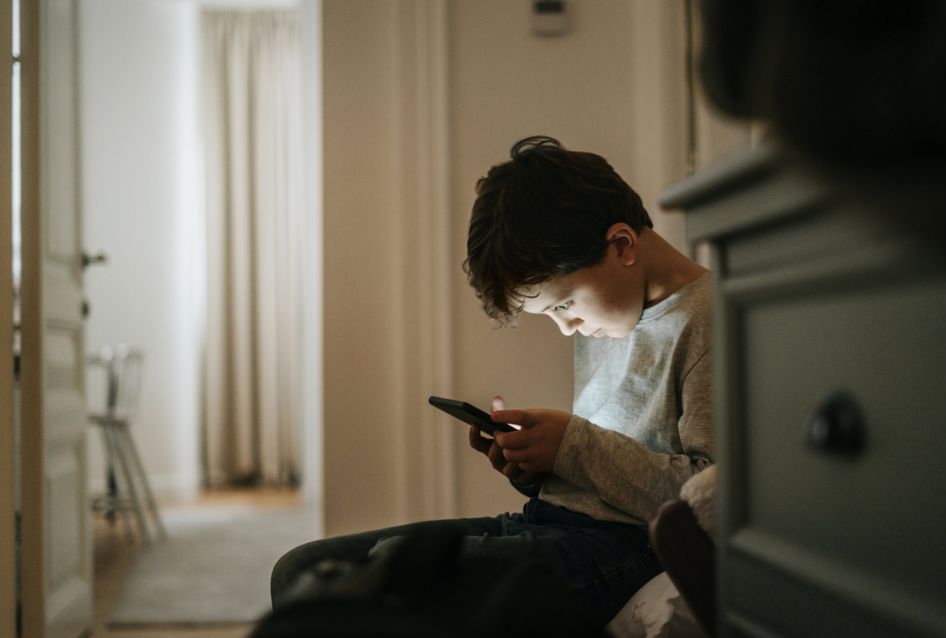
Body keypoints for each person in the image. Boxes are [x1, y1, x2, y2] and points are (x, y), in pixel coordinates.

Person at [270, 135, 714, 626]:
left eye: (563, 305)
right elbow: (601, 470)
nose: (566, 326)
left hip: (624, 545)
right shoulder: (613, 312)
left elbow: (710, 496)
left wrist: (573, 445)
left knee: (392, 573)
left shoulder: (711, 322)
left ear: (622, 245)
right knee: (300, 571)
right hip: (551, 524)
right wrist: (539, 466)